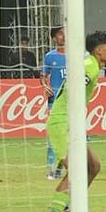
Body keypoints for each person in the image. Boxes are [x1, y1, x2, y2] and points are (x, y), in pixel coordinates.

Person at [43, 31, 106, 212]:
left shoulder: (92, 65)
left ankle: (67, 211)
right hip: (61, 124)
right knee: (77, 170)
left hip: (71, 124)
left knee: (93, 166)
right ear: (99, 50)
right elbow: (74, 86)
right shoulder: (90, 66)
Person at [40, 26, 67, 179]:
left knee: (71, 137)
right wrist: (45, 85)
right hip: (55, 101)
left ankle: (60, 168)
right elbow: (43, 75)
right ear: (54, 38)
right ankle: (51, 169)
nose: (63, 36)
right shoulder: (50, 57)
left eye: (65, 33)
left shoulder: (78, 55)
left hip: (72, 101)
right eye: (60, 34)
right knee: (53, 136)